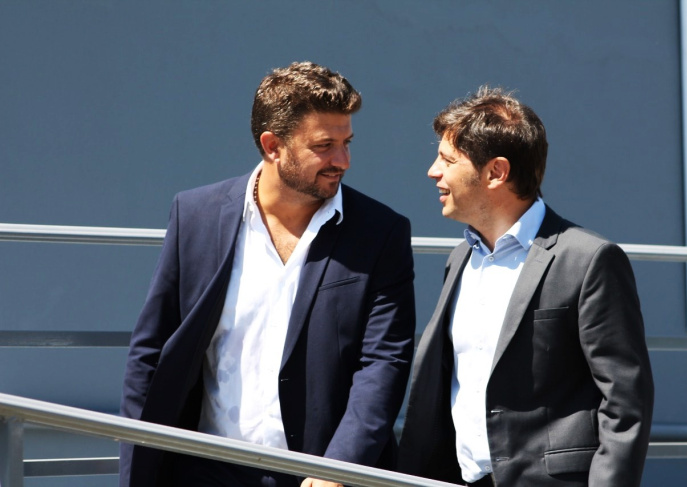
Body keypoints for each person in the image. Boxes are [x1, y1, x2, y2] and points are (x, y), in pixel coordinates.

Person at [119, 61, 416, 487]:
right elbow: (152, 351)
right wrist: (137, 471)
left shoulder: (381, 232)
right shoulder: (196, 215)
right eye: (325, 146)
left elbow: (384, 363)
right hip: (206, 472)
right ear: (273, 145)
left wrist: (339, 468)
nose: (343, 161)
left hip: (320, 476)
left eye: (347, 143)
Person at [397, 86, 654, 486]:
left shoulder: (587, 259)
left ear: (496, 172)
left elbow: (625, 401)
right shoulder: (460, 258)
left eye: (447, 160)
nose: (433, 171)